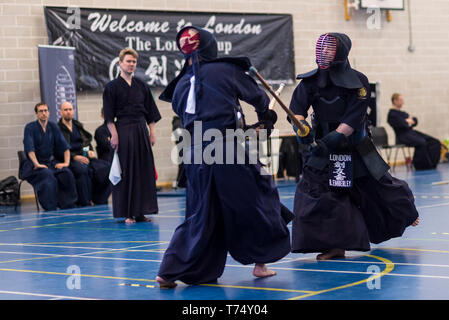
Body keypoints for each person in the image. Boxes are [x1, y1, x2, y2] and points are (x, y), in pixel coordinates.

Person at [155, 26, 293, 288]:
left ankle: (169, 270)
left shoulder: (182, 82)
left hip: (195, 155)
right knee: (258, 197)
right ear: (210, 46)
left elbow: (191, 114)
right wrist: (266, 116)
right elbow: (258, 97)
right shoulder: (227, 70)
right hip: (227, 151)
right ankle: (260, 263)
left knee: (202, 212)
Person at [289, 33, 420, 260]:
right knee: (317, 191)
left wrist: (334, 139)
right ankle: (335, 246)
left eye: (330, 49)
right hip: (321, 148)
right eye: (322, 48)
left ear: (340, 52)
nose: (325, 53)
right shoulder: (309, 82)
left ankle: (406, 212)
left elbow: (353, 118)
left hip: (355, 145)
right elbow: (296, 111)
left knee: (380, 187)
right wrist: (301, 129)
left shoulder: (359, 82)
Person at [102, 47, 161, 224]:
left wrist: (152, 133)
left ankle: (141, 211)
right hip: (123, 130)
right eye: (128, 61)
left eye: (134, 62)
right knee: (127, 171)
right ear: (120, 63)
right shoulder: (111, 87)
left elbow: (151, 113)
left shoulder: (142, 85)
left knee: (143, 170)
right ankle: (128, 212)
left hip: (141, 129)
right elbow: (109, 115)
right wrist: (114, 135)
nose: (131, 64)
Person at [20, 102, 77, 211]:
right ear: (36, 113)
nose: (43, 113)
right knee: (47, 175)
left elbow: (65, 146)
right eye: (41, 111)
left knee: (66, 172)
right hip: (33, 165)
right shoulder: (30, 127)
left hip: (50, 163)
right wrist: (37, 164)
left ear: (49, 113)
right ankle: (50, 206)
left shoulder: (53, 126)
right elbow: (30, 148)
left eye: (45, 111)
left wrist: (66, 163)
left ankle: (68, 205)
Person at [58, 101, 112, 205]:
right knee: (83, 170)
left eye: (70, 109)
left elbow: (86, 141)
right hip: (70, 159)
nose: (68, 112)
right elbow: (59, 148)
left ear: (73, 111)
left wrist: (90, 150)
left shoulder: (77, 126)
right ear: (61, 112)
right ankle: (85, 201)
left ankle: (99, 198)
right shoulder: (58, 129)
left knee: (107, 167)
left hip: (85, 156)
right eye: (65, 110)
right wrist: (74, 157)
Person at [387, 93, 441, 170]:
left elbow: (415, 120)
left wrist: (408, 121)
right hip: (402, 136)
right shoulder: (392, 114)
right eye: (401, 100)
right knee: (421, 142)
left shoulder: (403, 113)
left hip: (412, 133)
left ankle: (431, 164)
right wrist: (408, 121)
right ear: (395, 101)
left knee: (434, 142)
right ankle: (421, 165)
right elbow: (403, 124)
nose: (403, 102)